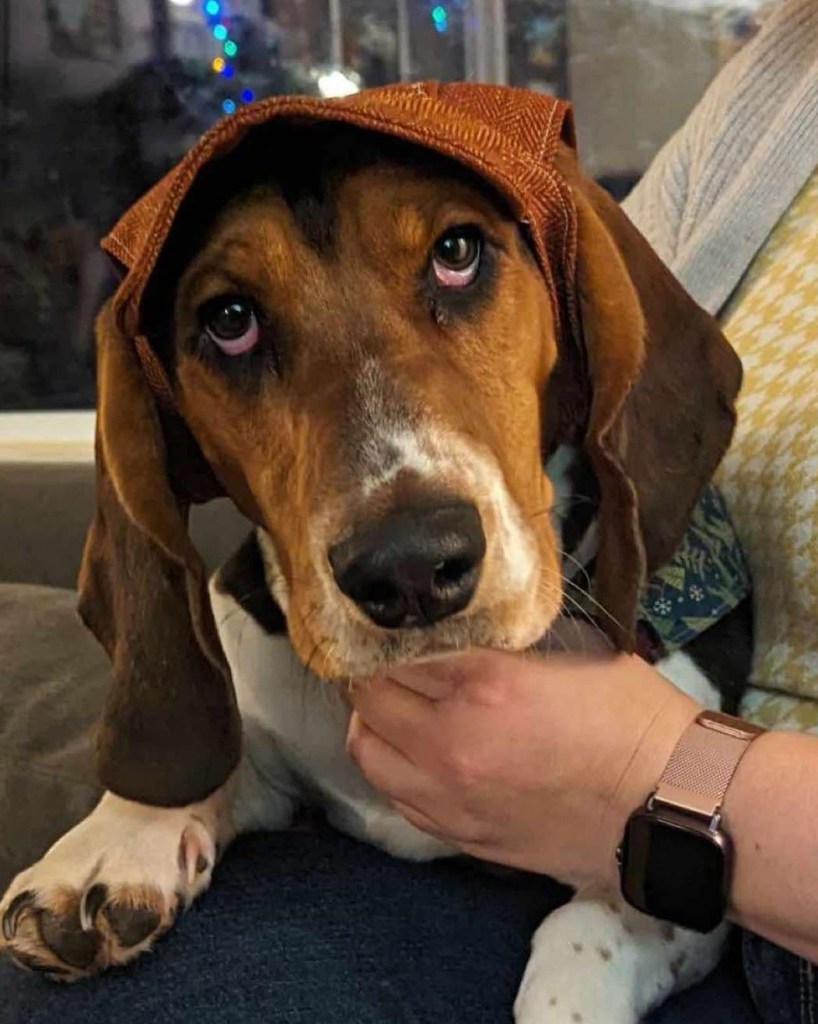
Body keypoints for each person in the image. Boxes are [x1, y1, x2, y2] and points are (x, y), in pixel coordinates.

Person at [1, 1, 816, 1021]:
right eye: (233, 318)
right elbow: (223, 739)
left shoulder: (669, 582)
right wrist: (168, 795)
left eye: (455, 255)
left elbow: (644, 372)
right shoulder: (769, 89)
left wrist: (640, 780)